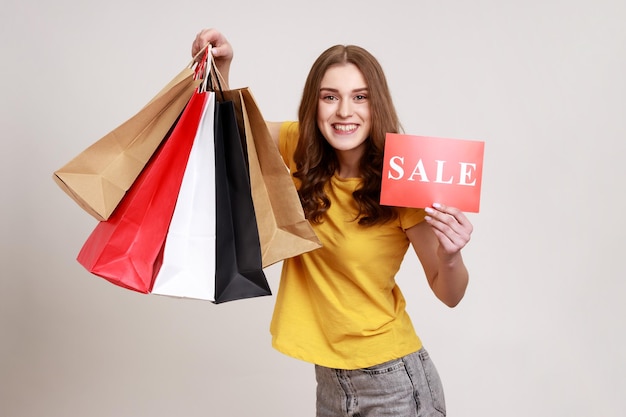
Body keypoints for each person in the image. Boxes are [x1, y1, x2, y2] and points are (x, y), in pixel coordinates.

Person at [192, 28, 473, 417]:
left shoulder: (403, 180)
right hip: (331, 383)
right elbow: (224, 128)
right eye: (330, 97)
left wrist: (452, 255)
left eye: (360, 97)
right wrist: (222, 69)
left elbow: (450, 293)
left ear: (378, 107)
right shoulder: (298, 148)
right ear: (315, 104)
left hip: (393, 383)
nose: (344, 111)